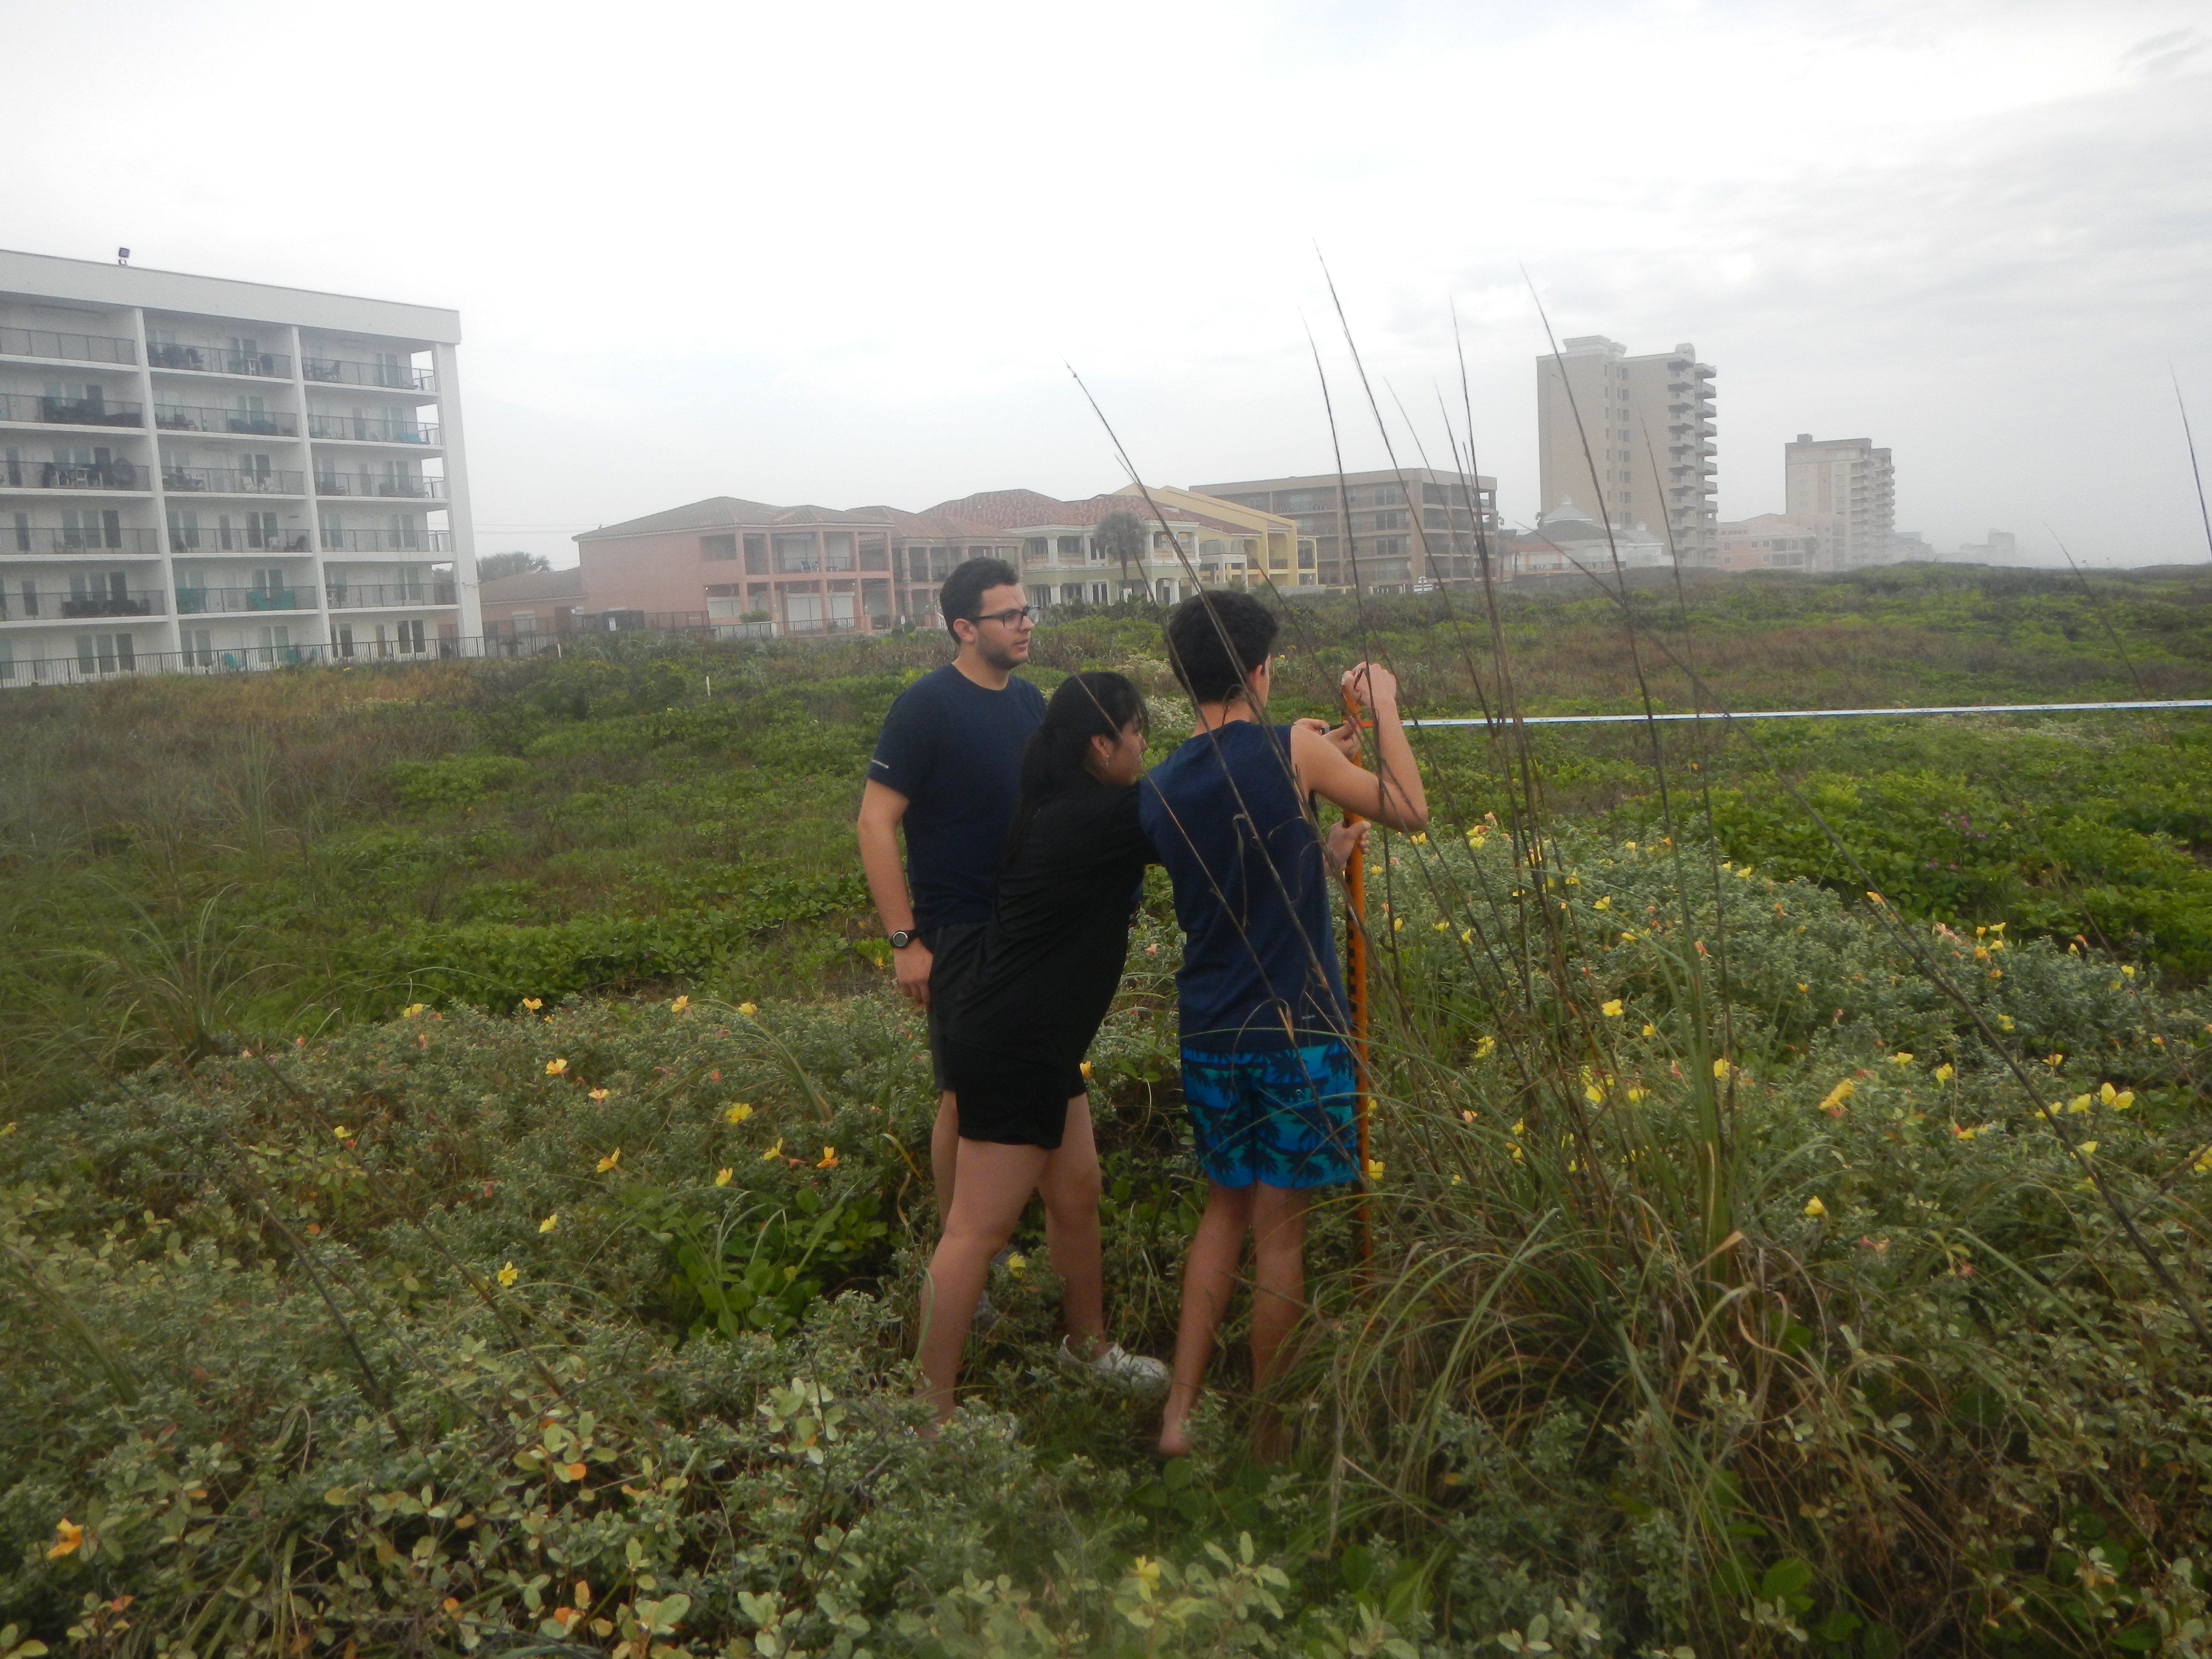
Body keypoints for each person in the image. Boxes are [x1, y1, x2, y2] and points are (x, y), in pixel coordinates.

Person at [1138, 591, 1428, 1459]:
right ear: (1261, 669)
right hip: (1298, 1029)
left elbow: (1243, 861)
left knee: (1221, 1215)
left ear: (1183, 679)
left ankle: (1181, 1417)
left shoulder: (1159, 789)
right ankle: (1267, 1430)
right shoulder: (1292, 749)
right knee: (1280, 1233)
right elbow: (1410, 809)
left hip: (1211, 1032)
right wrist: (1383, 714)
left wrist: (1319, 847)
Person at [915, 672, 1173, 1422]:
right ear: (1102, 744)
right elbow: (1197, 807)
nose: (1144, 746)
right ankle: (930, 1419)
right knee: (973, 1233)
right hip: (1013, 1046)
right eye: (1137, 734)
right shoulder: (1097, 817)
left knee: (1076, 1191)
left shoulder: (1068, 805)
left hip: (1033, 1040)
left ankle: (1086, 1347)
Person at [856, 557, 1042, 1249]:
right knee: (964, 1097)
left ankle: (1006, 1238)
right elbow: (875, 823)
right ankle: (960, 1253)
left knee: (1029, 1082)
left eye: (1027, 612)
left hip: (1027, 929)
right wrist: (906, 941)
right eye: (1009, 615)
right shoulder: (926, 705)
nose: (1025, 625)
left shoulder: (1028, 702)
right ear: (966, 628)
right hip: (960, 932)